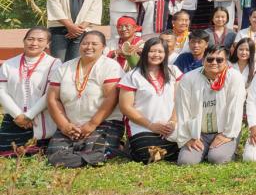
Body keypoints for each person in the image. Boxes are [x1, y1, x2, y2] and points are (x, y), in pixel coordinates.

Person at [45, 31, 123, 167]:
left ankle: (97, 151)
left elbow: (112, 97)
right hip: (72, 124)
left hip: (102, 123)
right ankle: (84, 154)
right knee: (54, 154)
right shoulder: (64, 67)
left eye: (94, 44)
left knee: (96, 152)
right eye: (85, 43)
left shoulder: (110, 66)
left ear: (103, 47)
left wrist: (92, 124)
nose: (89, 47)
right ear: (79, 45)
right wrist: (64, 126)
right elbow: (53, 99)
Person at [173, 43, 246, 165]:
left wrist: (226, 135)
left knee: (217, 159)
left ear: (226, 62)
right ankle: (206, 150)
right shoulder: (189, 78)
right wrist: (189, 137)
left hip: (224, 131)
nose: (214, 62)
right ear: (203, 60)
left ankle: (224, 149)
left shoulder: (234, 77)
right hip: (198, 133)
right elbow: (183, 109)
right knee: (186, 162)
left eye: (219, 60)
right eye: (210, 59)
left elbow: (236, 108)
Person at [118, 38, 181, 163]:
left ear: (165, 54)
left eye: (160, 52)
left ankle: (166, 151)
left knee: (189, 144)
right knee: (146, 155)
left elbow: (179, 99)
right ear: (145, 52)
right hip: (143, 127)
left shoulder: (173, 71)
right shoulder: (133, 76)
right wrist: (151, 125)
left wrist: (173, 121)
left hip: (170, 126)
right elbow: (126, 107)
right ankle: (136, 148)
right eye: (152, 51)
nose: (156, 55)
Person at [0, 27, 57, 156]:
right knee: (5, 152)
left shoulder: (54, 64)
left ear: (48, 44)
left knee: (38, 152)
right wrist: (18, 115)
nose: (34, 43)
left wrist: (29, 115)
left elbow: (50, 93)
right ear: (24, 41)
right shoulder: (9, 64)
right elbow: (1, 92)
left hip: (40, 117)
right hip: (14, 118)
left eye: (40, 40)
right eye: (30, 39)